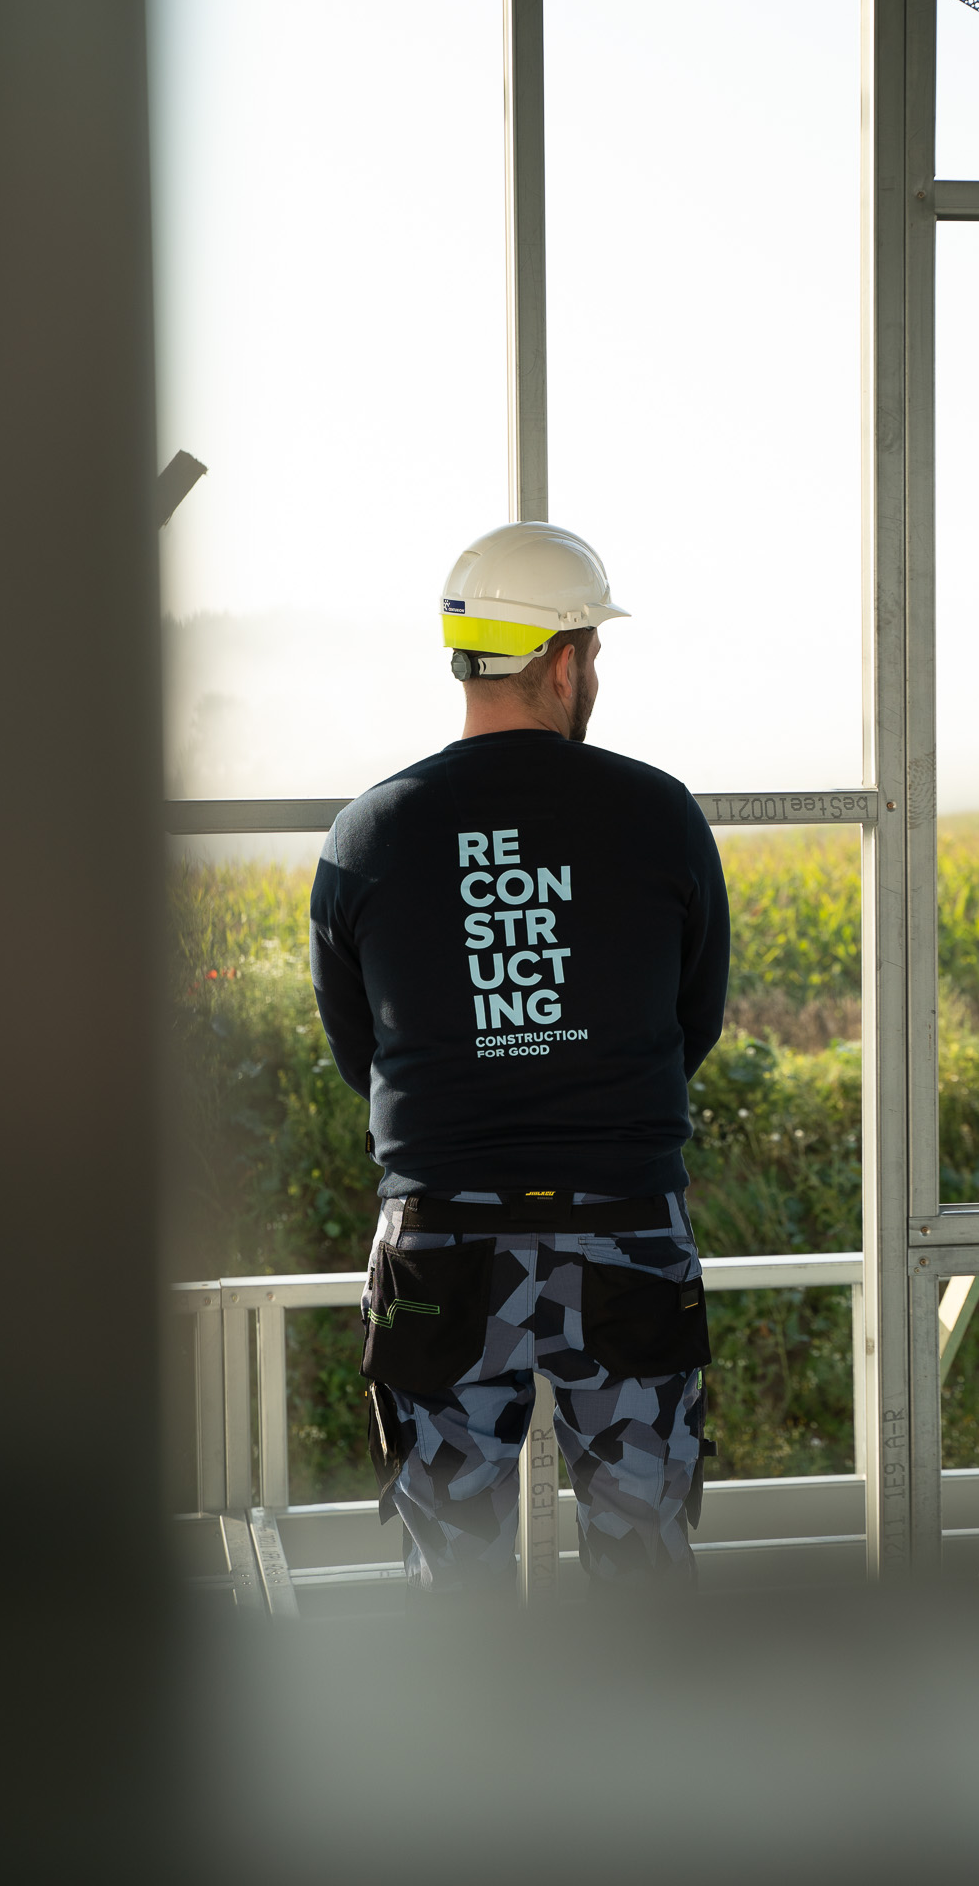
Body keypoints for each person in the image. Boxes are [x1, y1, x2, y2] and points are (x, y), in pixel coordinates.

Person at [309, 522, 730, 1599]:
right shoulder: (658, 813)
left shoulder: (370, 833)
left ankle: (470, 1761)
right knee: (645, 1566)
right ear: (562, 660)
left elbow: (363, 1051)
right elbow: (696, 1019)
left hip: (442, 1234)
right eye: (593, 651)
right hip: (624, 1227)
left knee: (453, 1581)